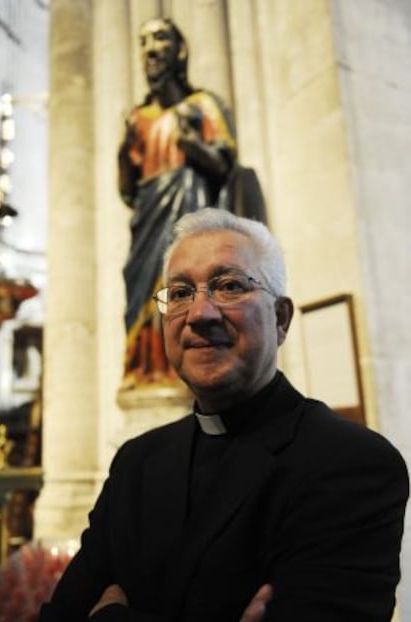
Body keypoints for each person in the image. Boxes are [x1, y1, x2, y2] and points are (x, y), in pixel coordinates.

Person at [39, 208, 409, 622]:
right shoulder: (137, 463)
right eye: (179, 293)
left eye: (229, 285)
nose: (200, 313)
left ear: (281, 318)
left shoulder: (352, 463)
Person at [117, 17, 266, 388]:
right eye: (145, 41)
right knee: (143, 295)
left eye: (161, 38)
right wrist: (123, 154)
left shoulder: (201, 105)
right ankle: (147, 370)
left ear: (179, 50)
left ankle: (189, 365)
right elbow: (127, 192)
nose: (152, 49)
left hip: (189, 208)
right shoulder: (136, 119)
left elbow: (226, 164)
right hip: (149, 216)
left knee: (185, 283)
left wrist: (192, 146)